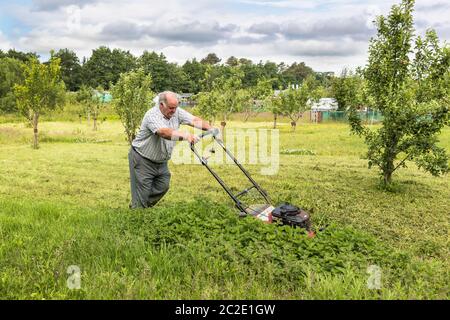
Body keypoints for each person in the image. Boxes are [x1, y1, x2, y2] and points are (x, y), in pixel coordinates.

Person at [129, 91, 216, 209]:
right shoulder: (152, 115)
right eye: (170, 108)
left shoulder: (176, 112)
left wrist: (211, 128)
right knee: (143, 191)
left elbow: (193, 120)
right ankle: (138, 212)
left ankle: (140, 207)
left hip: (161, 161)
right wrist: (185, 136)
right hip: (143, 159)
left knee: (163, 186)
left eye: (175, 108)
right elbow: (164, 132)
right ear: (161, 105)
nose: (173, 111)